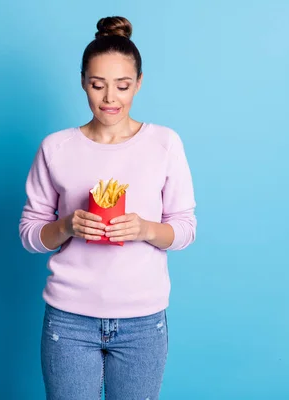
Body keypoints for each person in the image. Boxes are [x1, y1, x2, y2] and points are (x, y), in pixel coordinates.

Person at [19, 16, 197, 400]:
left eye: (123, 86)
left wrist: (145, 229)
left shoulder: (164, 144)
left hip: (143, 320)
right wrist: (66, 225)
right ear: (83, 81)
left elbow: (184, 228)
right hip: (68, 320)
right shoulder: (57, 148)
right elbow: (31, 234)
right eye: (98, 85)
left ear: (139, 84)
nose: (109, 98)